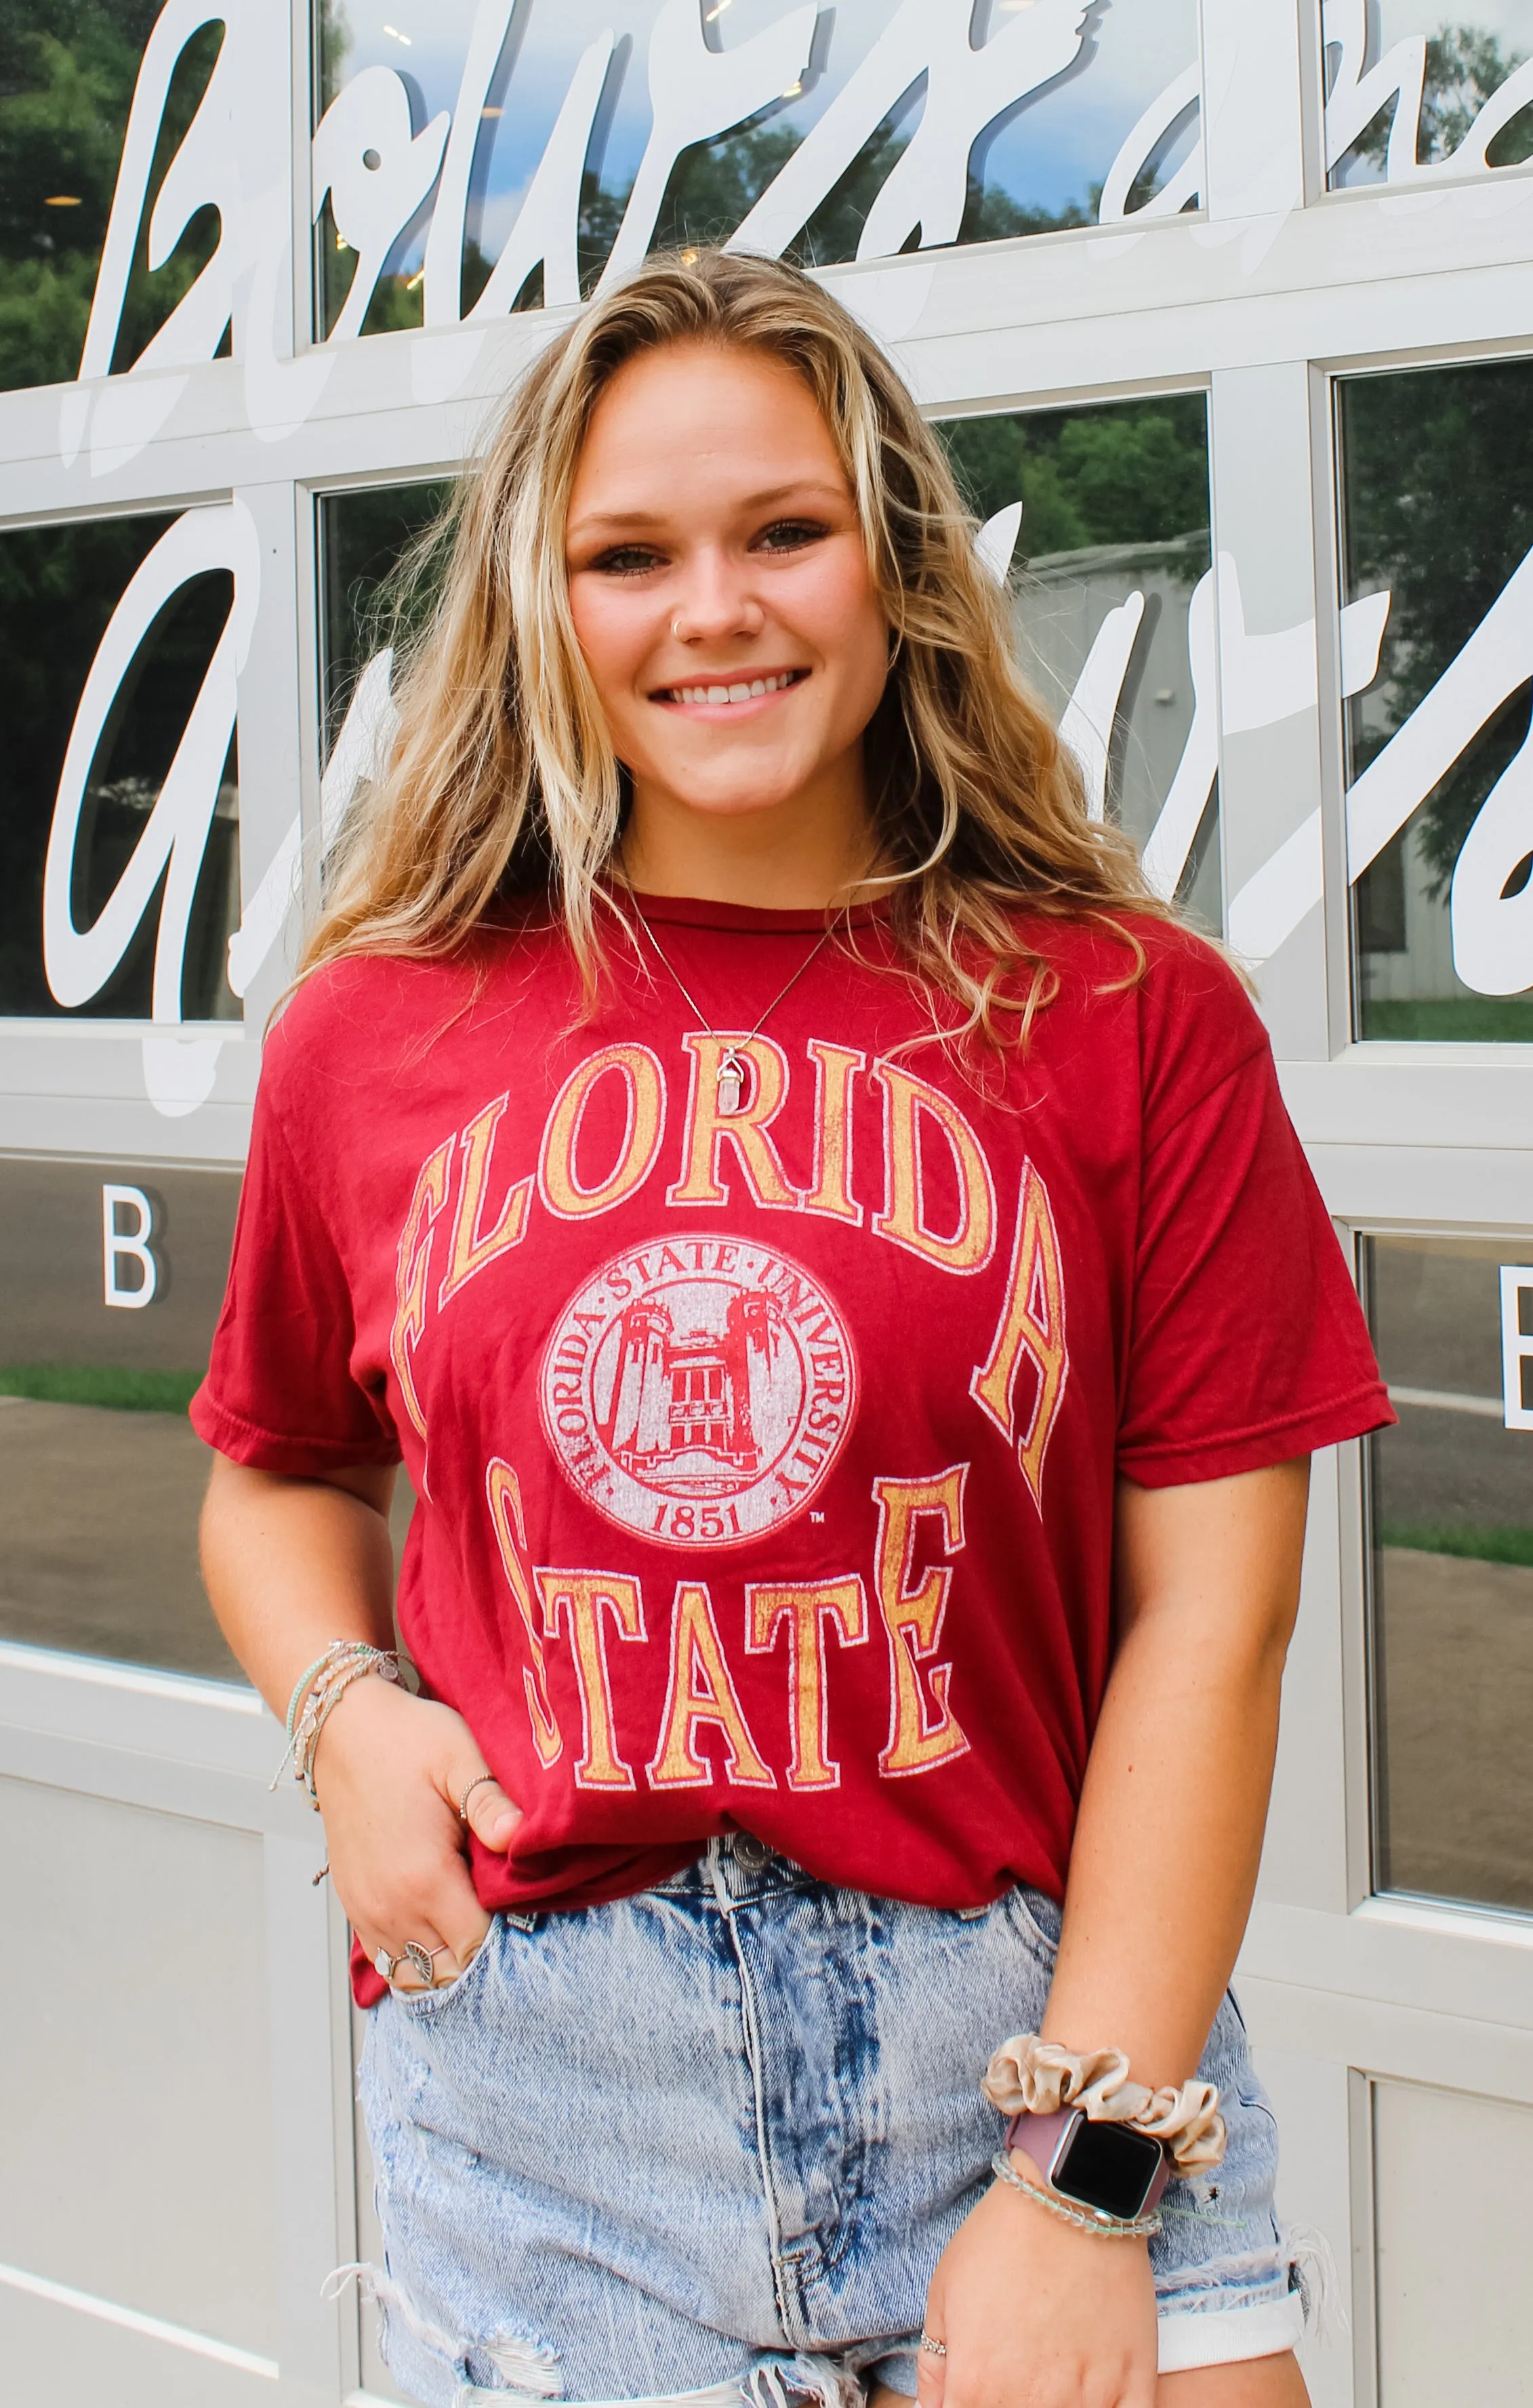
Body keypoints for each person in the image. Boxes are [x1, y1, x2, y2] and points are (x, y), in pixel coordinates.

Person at [195, 249, 1391, 2408]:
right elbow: (275, 1460)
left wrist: (1079, 2184)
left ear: (897, 563)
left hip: (1041, 2032)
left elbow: (1212, 1625)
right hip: (546, 2085)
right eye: (626, 554)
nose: (710, 609)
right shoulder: (376, 1030)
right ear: (540, 607)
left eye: (782, 532)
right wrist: (343, 1705)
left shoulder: (1125, 1013)